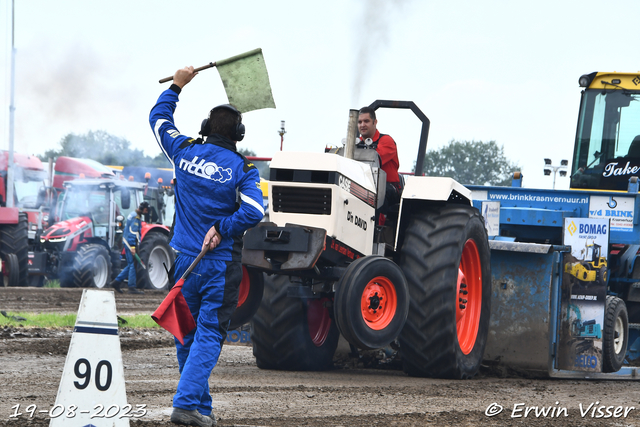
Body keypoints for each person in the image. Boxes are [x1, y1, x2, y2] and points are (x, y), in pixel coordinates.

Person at [149, 66, 264, 427]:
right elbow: (255, 210)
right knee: (210, 333)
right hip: (218, 265)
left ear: (203, 128)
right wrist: (223, 227)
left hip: (183, 260)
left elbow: (158, 118)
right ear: (239, 135)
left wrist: (178, 85)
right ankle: (185, 405)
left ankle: (201, 409)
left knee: (185, 332)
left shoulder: (182, 150)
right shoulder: (243, 169)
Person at [356, 106, 401, 209]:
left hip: (387, 186)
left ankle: (376, 224)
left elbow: (373, 159)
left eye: (366, 121)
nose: (362, 125)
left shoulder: (386, 141)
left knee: (377, 191)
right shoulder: (355, 145)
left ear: (375, 122)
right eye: (359, 122)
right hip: (363, 184)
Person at [110, 201, 149, 295]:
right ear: (143, 209)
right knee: (132, 265)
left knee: (131, 264)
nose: (147, 212)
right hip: (130, 244)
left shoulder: (132, 214)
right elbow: (133, 232)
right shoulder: (136, 218)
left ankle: (116, 282)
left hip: (126, 242)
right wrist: (132, 247)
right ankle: (131, 287)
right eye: (146, 210)